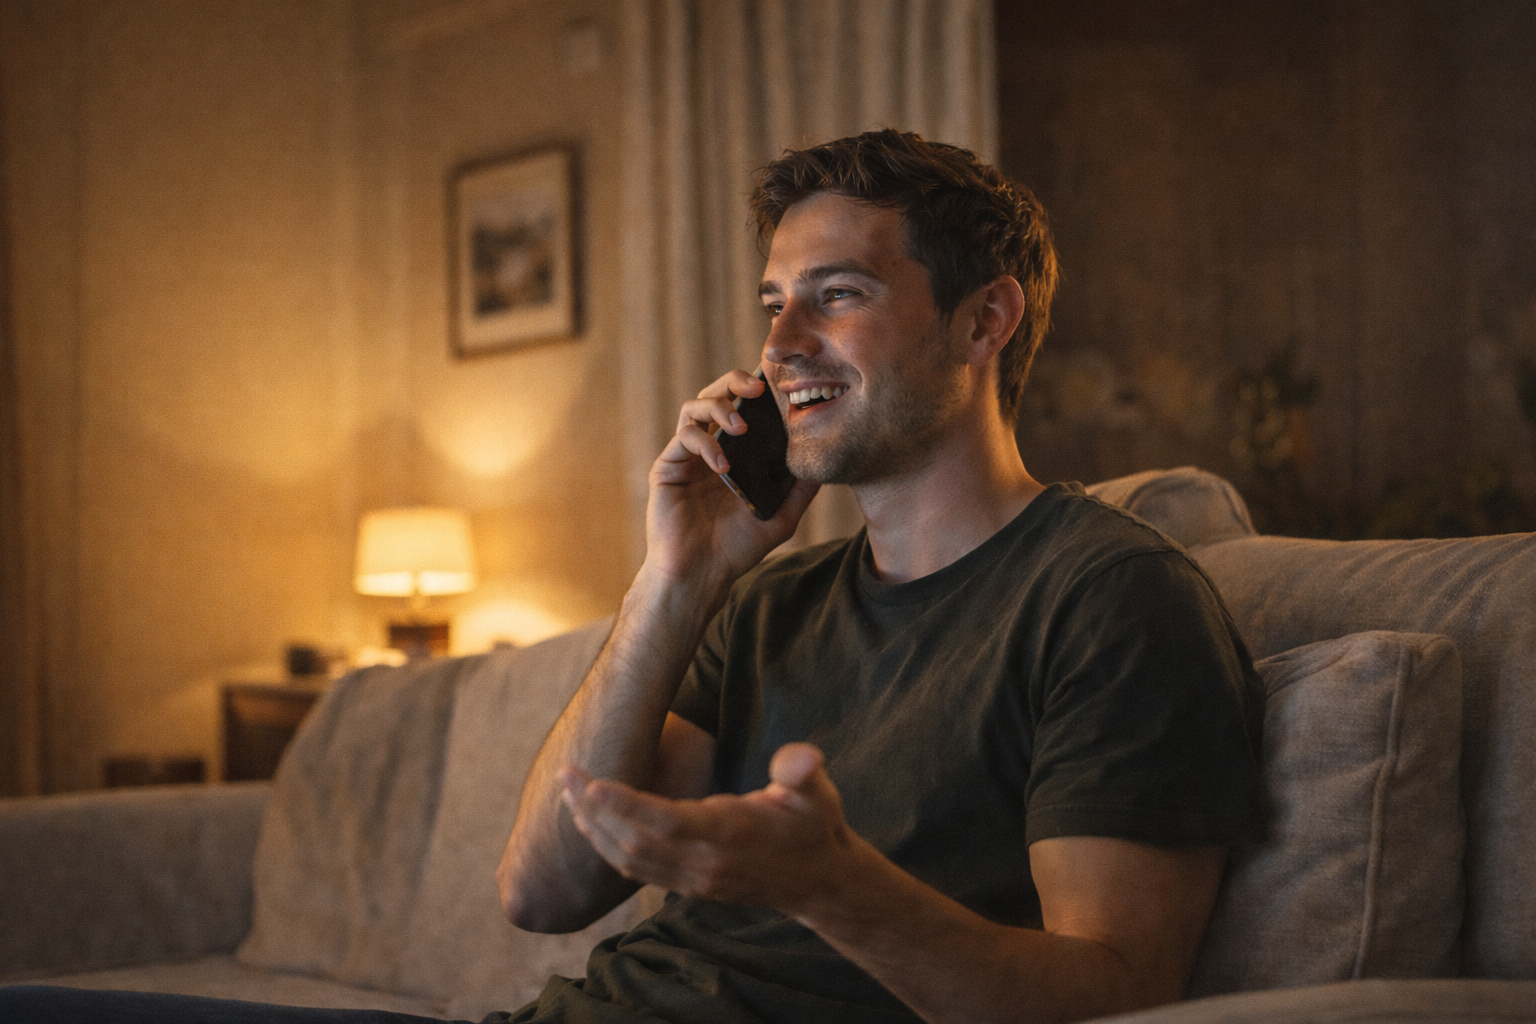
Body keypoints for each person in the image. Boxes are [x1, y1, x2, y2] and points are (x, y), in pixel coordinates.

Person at [0, 129, 1263, 1024]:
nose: (777, 346)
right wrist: (676, 574)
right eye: (772, 302)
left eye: (837, 296)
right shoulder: (767, 600)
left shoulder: (1110, 599)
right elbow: (543, 891)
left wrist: (833, 887)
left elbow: (1121, 996)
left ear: (984, 322)